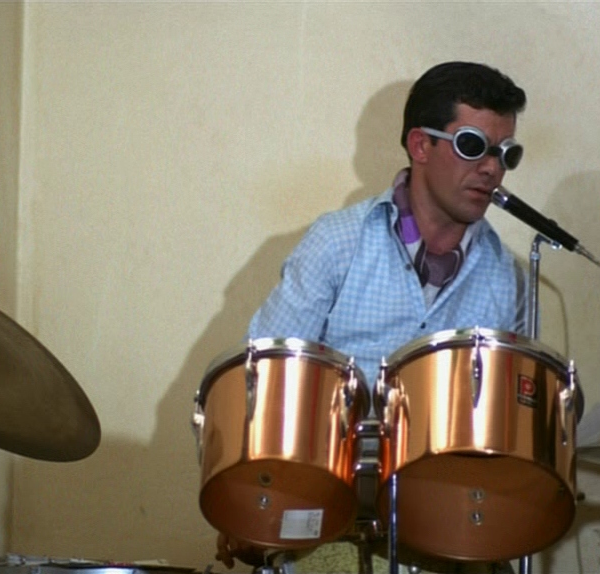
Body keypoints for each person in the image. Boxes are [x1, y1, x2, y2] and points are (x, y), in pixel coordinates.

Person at [216, 61, 528, 572]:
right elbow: (258, 386)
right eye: (473, 146)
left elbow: (510, 429)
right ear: (420, 145)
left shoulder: (508, 277)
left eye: (505, 152)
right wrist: (247, 500)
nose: (492, 168)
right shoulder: (337, 242)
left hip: (455, 526)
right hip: (335, 520)